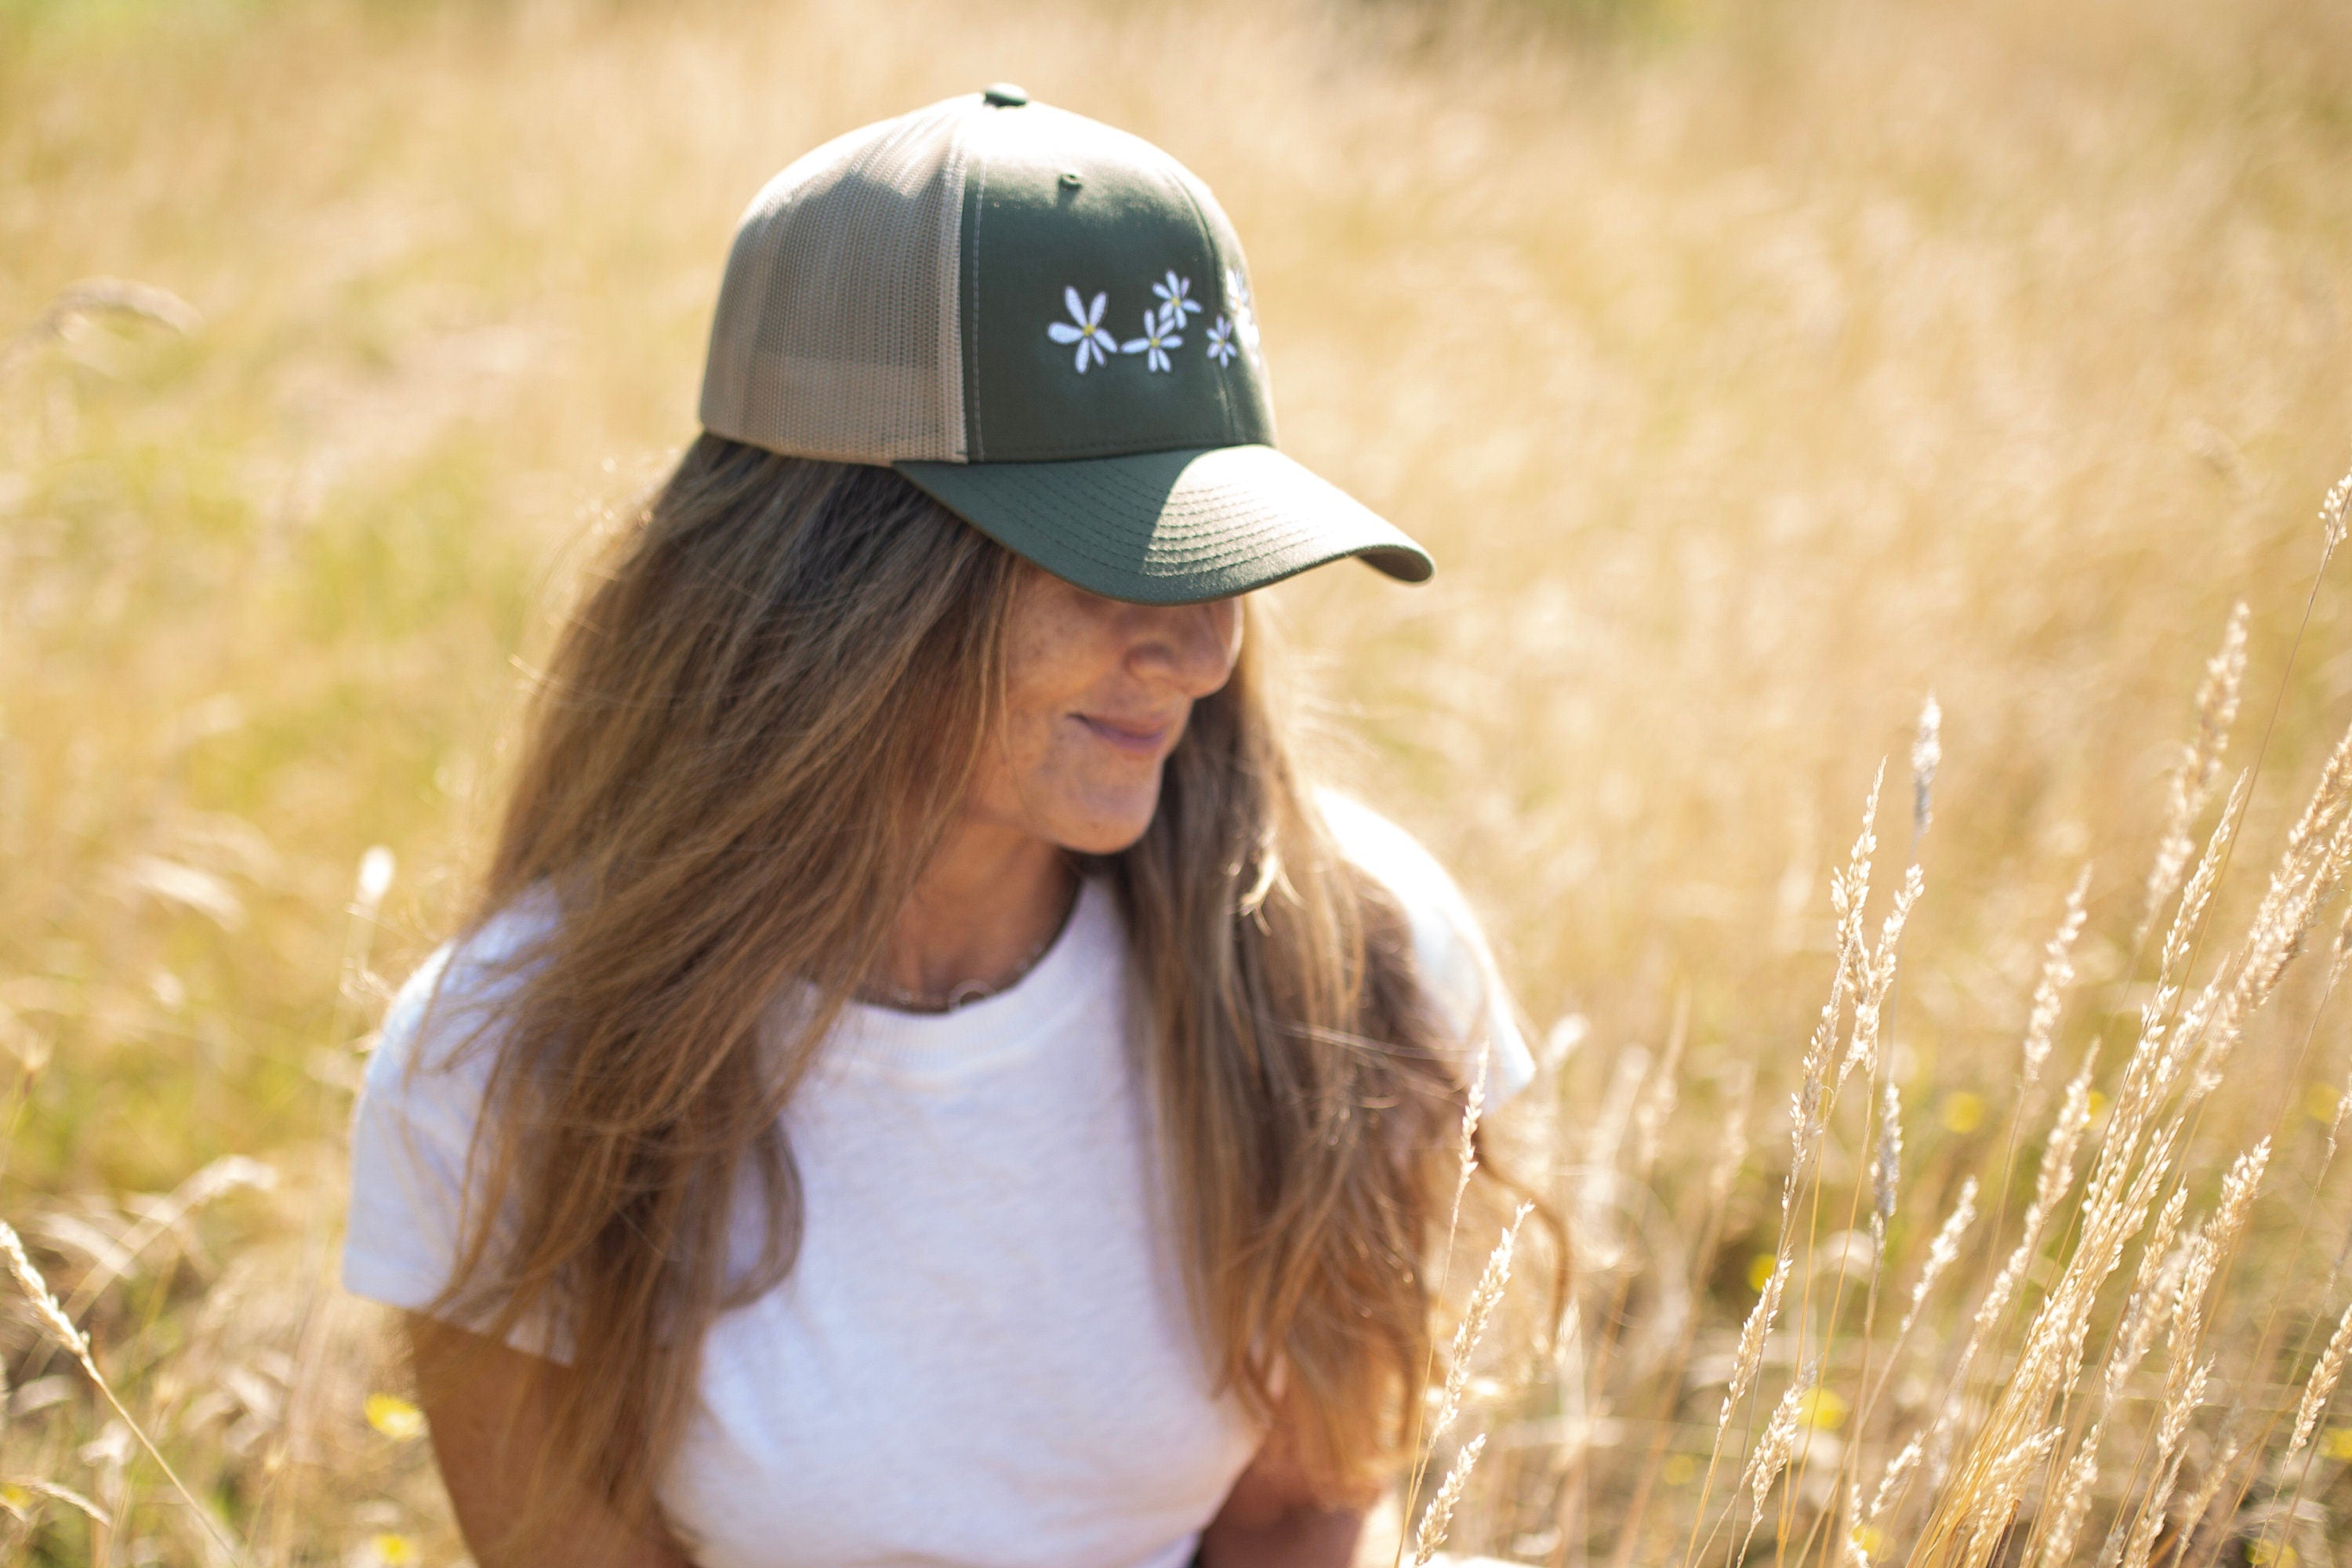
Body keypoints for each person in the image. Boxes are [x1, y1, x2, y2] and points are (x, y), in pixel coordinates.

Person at [342, 85, 1537, 1568]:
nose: (1202, 654)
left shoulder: (1345, 964)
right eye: (1103, 563)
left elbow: (1302, 1514)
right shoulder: (516, 1063)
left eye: (1218, 558)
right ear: (837, 581)